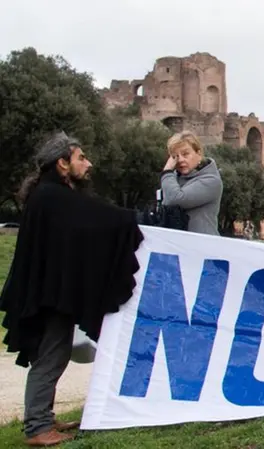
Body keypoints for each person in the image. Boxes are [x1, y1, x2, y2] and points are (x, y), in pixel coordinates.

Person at [0, 131, 144, 446]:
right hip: (49, 295)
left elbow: (84, 227)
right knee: (51, 356)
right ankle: (37, 427)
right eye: (81, 158)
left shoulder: (51, 195)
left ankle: (44, 418)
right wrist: (134, 220)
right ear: (62, 163)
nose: (87, 163)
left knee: (56, 353)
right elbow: (97, 219)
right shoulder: (52, 197)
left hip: (51, 292)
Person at [159, 131, 223, 236]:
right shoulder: (173, 179)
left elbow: (175, 200)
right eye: (175, 156)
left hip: (201, 246)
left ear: (198, 153)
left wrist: (166, 172)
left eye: (185, 154)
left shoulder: (211, 180)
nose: (180, 160)